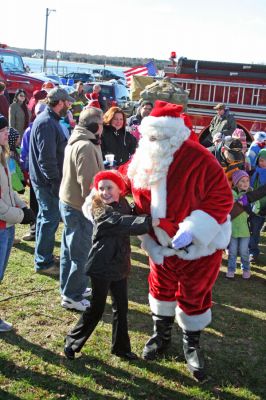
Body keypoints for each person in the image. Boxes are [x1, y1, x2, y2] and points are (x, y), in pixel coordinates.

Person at [124, 100, 233, 381]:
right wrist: (107, 184)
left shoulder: (199, 157)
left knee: (195, 294)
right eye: (148, 136)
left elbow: (223, 198)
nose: (151, 141)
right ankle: (161, 336)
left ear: (173, 135)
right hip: (159, 242)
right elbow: (126, 175)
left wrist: (194, 230)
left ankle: (191, 345)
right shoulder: (145, 155)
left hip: (198, 247)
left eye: (157, 136)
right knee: (160, 289)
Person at [64, 170, 158, 360]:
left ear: (120, 189)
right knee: (96, 309)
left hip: (120, 263)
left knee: (121, 308)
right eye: (101, 188)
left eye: (109, 188)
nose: (105, 192)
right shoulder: (99, 209)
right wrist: (148, 222)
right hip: (101, 266)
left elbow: (134, 212)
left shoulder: (123, 204)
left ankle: (121, 348)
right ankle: (72, 342)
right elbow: (119, 222)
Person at [59, 107, 105, 311]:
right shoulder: (85, 145)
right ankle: (72, 295)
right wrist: (98, 210)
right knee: (81, 253)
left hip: (69, 202)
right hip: (79, 207)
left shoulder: (79, 139)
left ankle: (70, 287)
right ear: (95, 126)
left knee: (69, 250)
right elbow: (88, 183)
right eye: (102, 123)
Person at [29, 88, 74, 275]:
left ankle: (42, 256)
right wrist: (55, 182)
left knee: (44, 219)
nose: (70, 106)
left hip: (44, 181)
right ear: (60, 102)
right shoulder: (47, 123)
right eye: (68, 102)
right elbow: (46, 158)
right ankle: (44, 263)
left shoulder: (50, 120)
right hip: (47, 182)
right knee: (50, 220)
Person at [0, 115, 35, 332]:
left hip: (7, 226)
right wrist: (22, 216)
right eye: (3, 130)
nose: (7, 133)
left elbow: (8, 192)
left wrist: (22, 206)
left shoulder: (2, 156)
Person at [20, 102, 46, 241]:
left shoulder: (34, 129)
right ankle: (35, 230)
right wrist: (26, 171)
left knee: (43, 203)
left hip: (42, 173)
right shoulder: (30, 131)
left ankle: (40, 231)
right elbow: (24, 153)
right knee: (36, 203)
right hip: (35, 173)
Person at [226, 170, 252, 279]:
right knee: (232, 252)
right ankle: (231, 270)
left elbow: (255, 209)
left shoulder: (251, 194)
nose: (246, 183)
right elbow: (226, 208)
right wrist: (235, 203)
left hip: (245, 230)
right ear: (236, 183)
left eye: (247, 180)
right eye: (242, 181)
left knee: (244, 252)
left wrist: (246, 204)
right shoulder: (231, 194)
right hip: (232, 229)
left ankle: (245, 269)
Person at [249, 148, 266, 263]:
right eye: (261, 160)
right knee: (252, 229)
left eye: (265, 161)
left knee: (255, 230)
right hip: (254, 207)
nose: (263, 163)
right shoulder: (254, 172)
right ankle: (251, 251)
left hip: (263, 207)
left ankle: (252, 251)